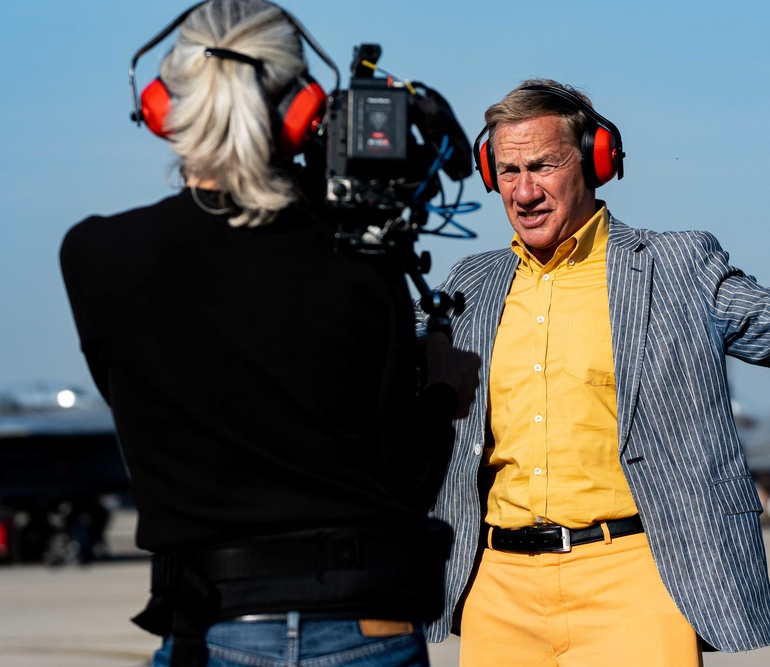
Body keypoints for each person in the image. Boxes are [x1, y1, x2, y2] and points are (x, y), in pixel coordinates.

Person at [422, 79, 770, 665]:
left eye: (543, 166)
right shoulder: (468, 286)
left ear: (595, 161)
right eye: (507, 171)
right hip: (497, 589)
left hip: (632, 579)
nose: (524, 191)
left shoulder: (676, 268)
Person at [59, 2, 478, 666]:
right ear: (304, 110)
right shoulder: (364, 266)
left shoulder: (95, 255)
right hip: (364, 624)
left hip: (208, 624)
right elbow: (407, 481)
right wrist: (443, 395)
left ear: (163, 106)